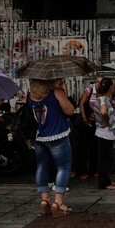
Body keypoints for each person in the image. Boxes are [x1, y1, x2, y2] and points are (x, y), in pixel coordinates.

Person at [28, 79, 75, 217]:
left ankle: (44, 200)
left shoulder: (31, 96)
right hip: (58, 135)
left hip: (40, 137)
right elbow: (70, 111)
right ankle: (58, 203)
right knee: (64, 167)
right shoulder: (56, 93)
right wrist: (63, 93)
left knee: (42, 167)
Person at [94, 78, 115, 190]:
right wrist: (105, 120)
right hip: (105, 133)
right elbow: (103, 111)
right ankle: (104, 183)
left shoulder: (102, 99)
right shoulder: (103, 99)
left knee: (104, 159)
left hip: (104, 133)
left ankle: (106, 180)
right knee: (104, 159)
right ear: (110, 88)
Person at [77, 76, 102, 180]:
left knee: (94, 146)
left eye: (100, 82)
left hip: (96, 123)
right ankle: (82, 170)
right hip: (85, 122)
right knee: (83, 147)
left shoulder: (103, 94)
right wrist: (84, 117)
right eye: (97, 82)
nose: (98, 84)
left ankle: (94, 169)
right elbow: (81, 104)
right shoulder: (89, 91)